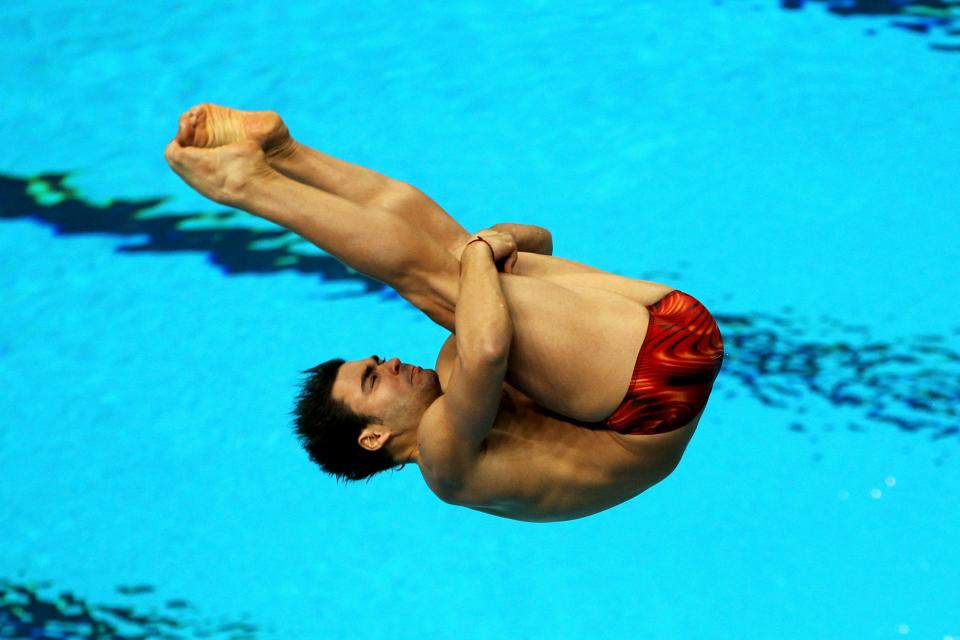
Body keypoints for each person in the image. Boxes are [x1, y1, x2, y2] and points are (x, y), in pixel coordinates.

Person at [165, 104, 724, 522]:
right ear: (373, 437)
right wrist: (484, 253)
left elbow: (539, 241)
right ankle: (249, 185)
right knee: (443, 279)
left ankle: (285, 152)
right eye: (371, 379)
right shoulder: (443, 460)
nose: (389, 364)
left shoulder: (454, 369)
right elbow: (487, 347)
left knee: (455, 260)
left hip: (662, 335)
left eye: (376, 361)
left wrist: (483, 249)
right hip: (653, 392)